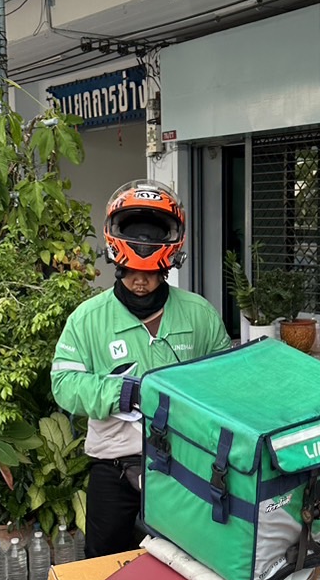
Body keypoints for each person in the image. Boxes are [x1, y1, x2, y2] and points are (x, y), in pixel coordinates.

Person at [51, 180, 230, 558]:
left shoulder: (198, 315)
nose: (140, 282)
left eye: (151, 274)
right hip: (114, 465)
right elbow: (64, 383)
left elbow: (225, 381)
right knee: (105, 564)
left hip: (185, 465)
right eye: (131, 271)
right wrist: (122, 392)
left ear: (168, 267)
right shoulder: (88, 319)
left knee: (186, 563)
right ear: (117, 263)